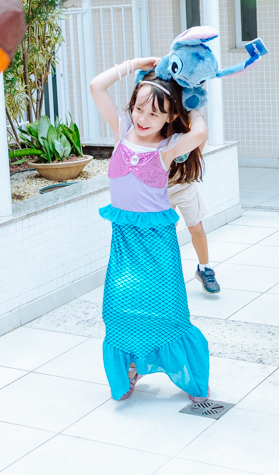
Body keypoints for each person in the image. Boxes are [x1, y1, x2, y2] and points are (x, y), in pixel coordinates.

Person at [89, 57, 210, 402]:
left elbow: (199, 132)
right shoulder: (122, 129)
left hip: (158, 247)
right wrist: (132, 65)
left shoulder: (166, 149)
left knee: (168, 311)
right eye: (139, 109)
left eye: (154, 114)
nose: (143, 119)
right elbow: (97, 85)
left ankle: (189, 377)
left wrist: (191, 94)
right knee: (118, 307)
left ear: (171, 117)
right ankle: (132, 366)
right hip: (124, 243)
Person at [169, 159, 221, 293]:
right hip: (157, 189)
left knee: (196, 227)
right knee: (165, 232)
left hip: (183, 184)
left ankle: (204, 268)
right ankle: (165, 275)